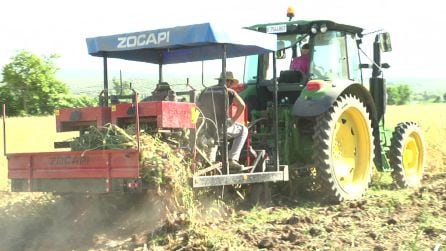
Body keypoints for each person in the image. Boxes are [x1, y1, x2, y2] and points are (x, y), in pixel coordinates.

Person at [216, 71, 248, 171]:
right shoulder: (229, 91)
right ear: (229, 82)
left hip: (206, 128)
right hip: (221, 128)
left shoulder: (206, 91)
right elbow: (242, 106)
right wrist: (232, 121)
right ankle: (231, 160)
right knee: (243, 130)